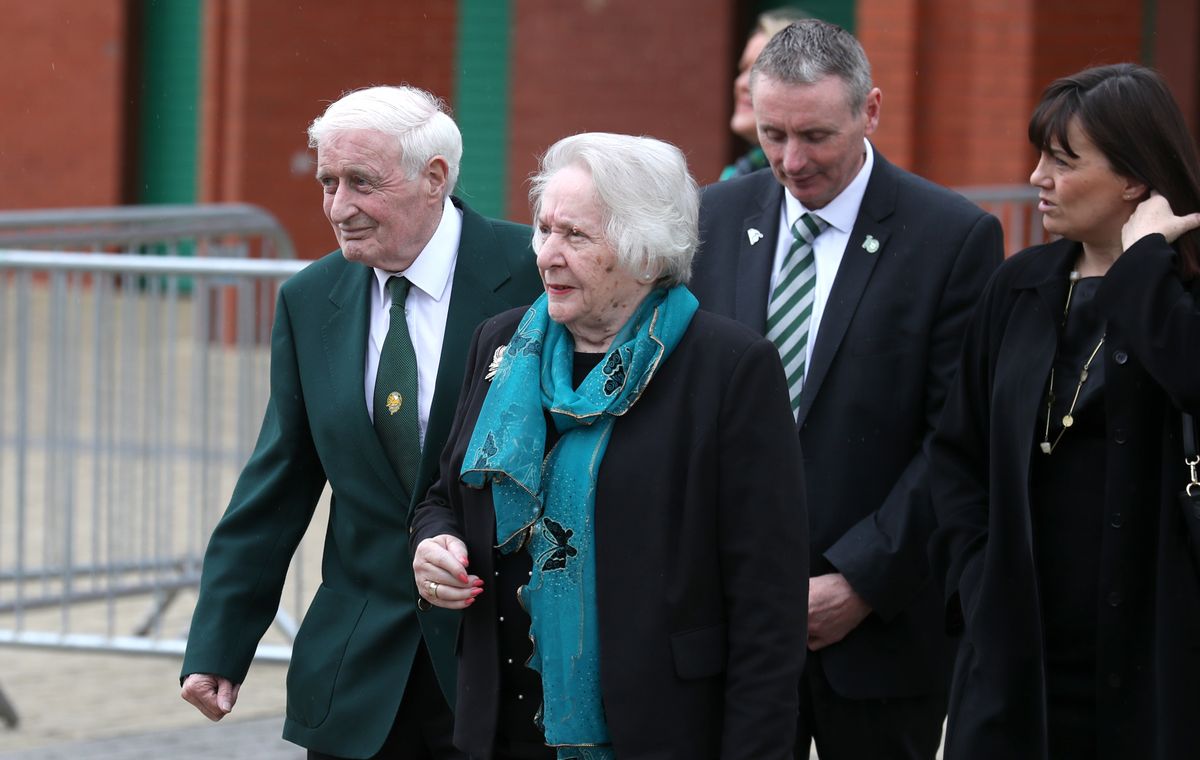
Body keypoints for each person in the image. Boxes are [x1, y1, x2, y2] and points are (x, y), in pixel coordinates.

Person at [410, 132, 808, 759]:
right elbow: (442, 495)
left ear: (647, 252)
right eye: (544, 230)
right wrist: (437, 544)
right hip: (501, 726)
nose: (546, 255)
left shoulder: (728, 369)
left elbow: (767, 600)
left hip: (656, 729)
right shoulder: (501, 344)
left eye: (576, 236)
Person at [179, 85, 544, 759]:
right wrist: (219, 644)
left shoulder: (535, 274)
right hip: (361, 674)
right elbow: (279, 483)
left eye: (361, 183)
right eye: (327, 182)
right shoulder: (309, 300)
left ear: (434, 178)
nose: (338, 208)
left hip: (511, 665)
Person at [691, 19, 1004, 760]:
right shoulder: (712, 218)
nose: (791, 161)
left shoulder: (953, 237)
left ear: (870, 112)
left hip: (880, 636)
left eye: (816, 136)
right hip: (730, 626)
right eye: (773, 134)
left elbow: (959, 434)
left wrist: (861, 581)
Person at [930, 63, 1200, 760]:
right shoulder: (1020, 288)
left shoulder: (1182, 295)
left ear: (1136, 180)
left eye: (1062, 160)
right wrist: (979, 580)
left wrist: (1142, 266)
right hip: (1018, 655)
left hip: (1158, 662)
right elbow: (958, 450)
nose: (1036, 178)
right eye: (1040, 156)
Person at [720, 6, 810, 181]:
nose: (742, 84)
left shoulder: (801, 180)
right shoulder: (739, 174)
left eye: (759, 72)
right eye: (743, 70)